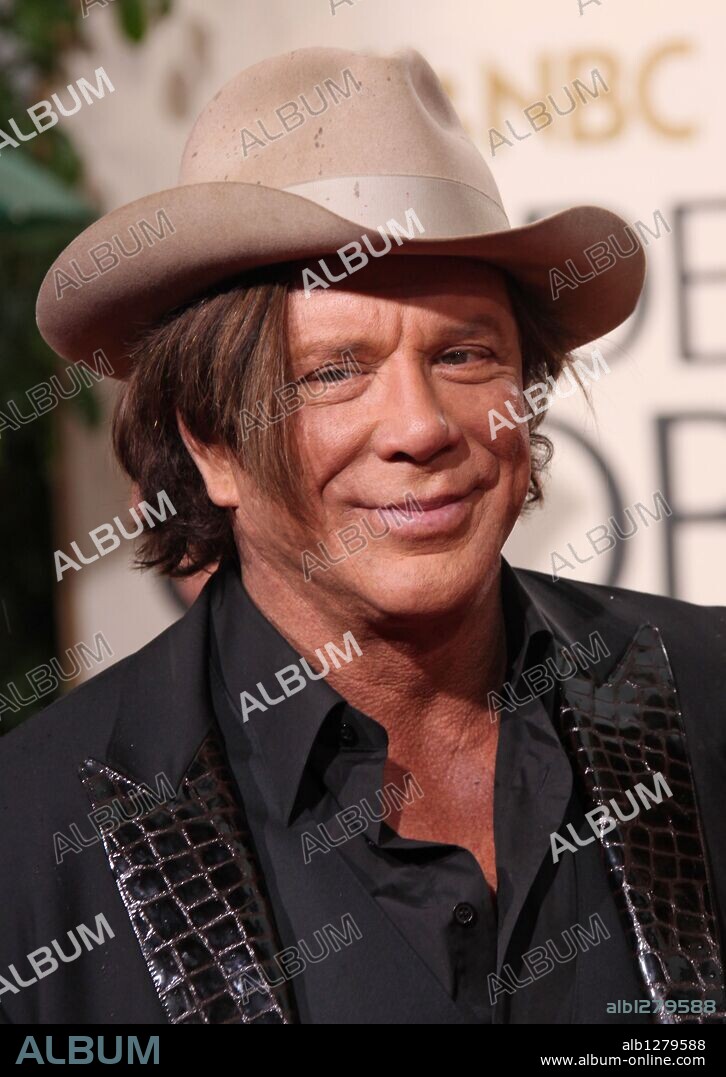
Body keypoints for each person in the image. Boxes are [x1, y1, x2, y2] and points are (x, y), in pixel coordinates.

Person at [1, 46, 724, 1025]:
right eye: (334, 371)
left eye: (464, 355)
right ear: (210, 440)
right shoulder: (36, 834)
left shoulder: (705, 694)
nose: (421, 428)